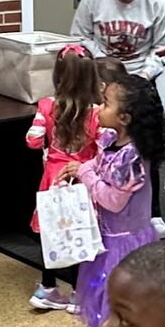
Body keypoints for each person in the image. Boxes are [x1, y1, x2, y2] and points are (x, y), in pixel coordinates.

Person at [58, 72, 165, 327]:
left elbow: (113, 200)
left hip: (126, 244)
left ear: (124, 118)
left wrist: (86, 176)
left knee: (119, 302)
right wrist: (85, 169)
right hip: (107, 238)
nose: (98, 106)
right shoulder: (110, 141)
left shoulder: (132, 157)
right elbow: (96, 162)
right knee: (105, 296)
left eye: (105, 103)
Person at [71, 0, 165, 239]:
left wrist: (143, 76)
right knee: (102, 140)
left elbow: (163, 49)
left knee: (146, 148)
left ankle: (153, 211)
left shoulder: (156, 2)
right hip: (104, 76)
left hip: (142, 79)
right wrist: (103, 62)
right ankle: (100, 202)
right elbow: (79, 36)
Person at [26, 45, 102, 311]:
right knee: (79, 232)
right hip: (82, 179)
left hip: (52, 178)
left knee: (52, 232)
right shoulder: (97, 112)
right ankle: (79, 294)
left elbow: (33, 141)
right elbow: (102, 149)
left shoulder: (46, 105)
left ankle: (47, 288)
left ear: (57, 75)